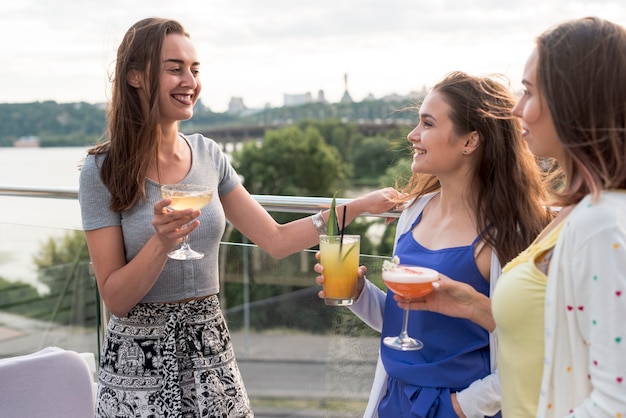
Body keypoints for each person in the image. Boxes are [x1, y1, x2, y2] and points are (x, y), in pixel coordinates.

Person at [78, 17, 396, 418]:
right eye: (174, 68)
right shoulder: (100, 171)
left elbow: (276, 240)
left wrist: (358, 206)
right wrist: (162, 244)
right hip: (137, 367)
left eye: (195, 69)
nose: (190, 81)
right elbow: (116, 299)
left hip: (212, 354)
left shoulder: (209, 155)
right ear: (136, 76)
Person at [402, 17, 626, 418]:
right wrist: (474, 306)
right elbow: (553, 341)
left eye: (528, 92)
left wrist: (458, 406)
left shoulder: (600, 224)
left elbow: (617, 402)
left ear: (572, 100)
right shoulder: (578, 214)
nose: (517, 109)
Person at [316, 71, 553, 417]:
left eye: (427, 124)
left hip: (463, 407)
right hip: (394, 401)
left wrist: (459, 406)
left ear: (470, 141)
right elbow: (402, 323)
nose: (413, 135)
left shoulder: (510, 232)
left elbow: (530, 345)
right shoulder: (414, 212)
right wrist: (357, 291)